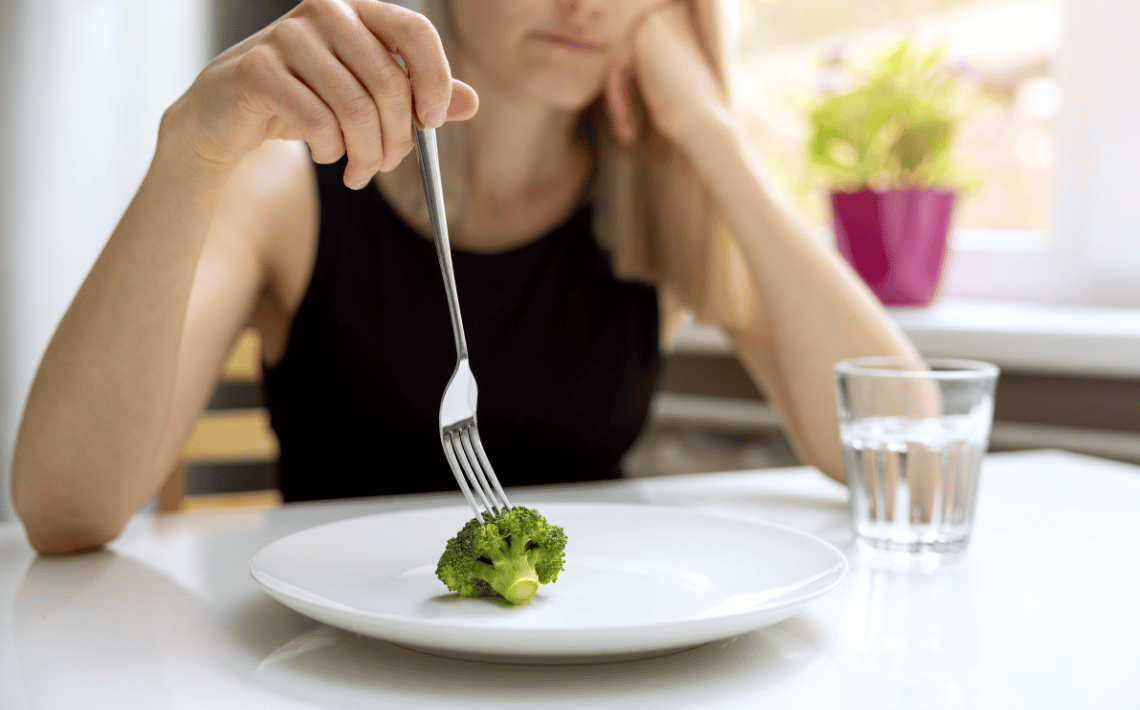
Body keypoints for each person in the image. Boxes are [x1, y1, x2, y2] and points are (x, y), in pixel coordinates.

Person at [11, 0, 919, 555]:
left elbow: (908, 462)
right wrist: (192, 152)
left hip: (599, 665)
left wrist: (714, 132)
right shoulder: (292, 187)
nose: (585, 2)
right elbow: (66, 510)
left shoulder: (662, 202)